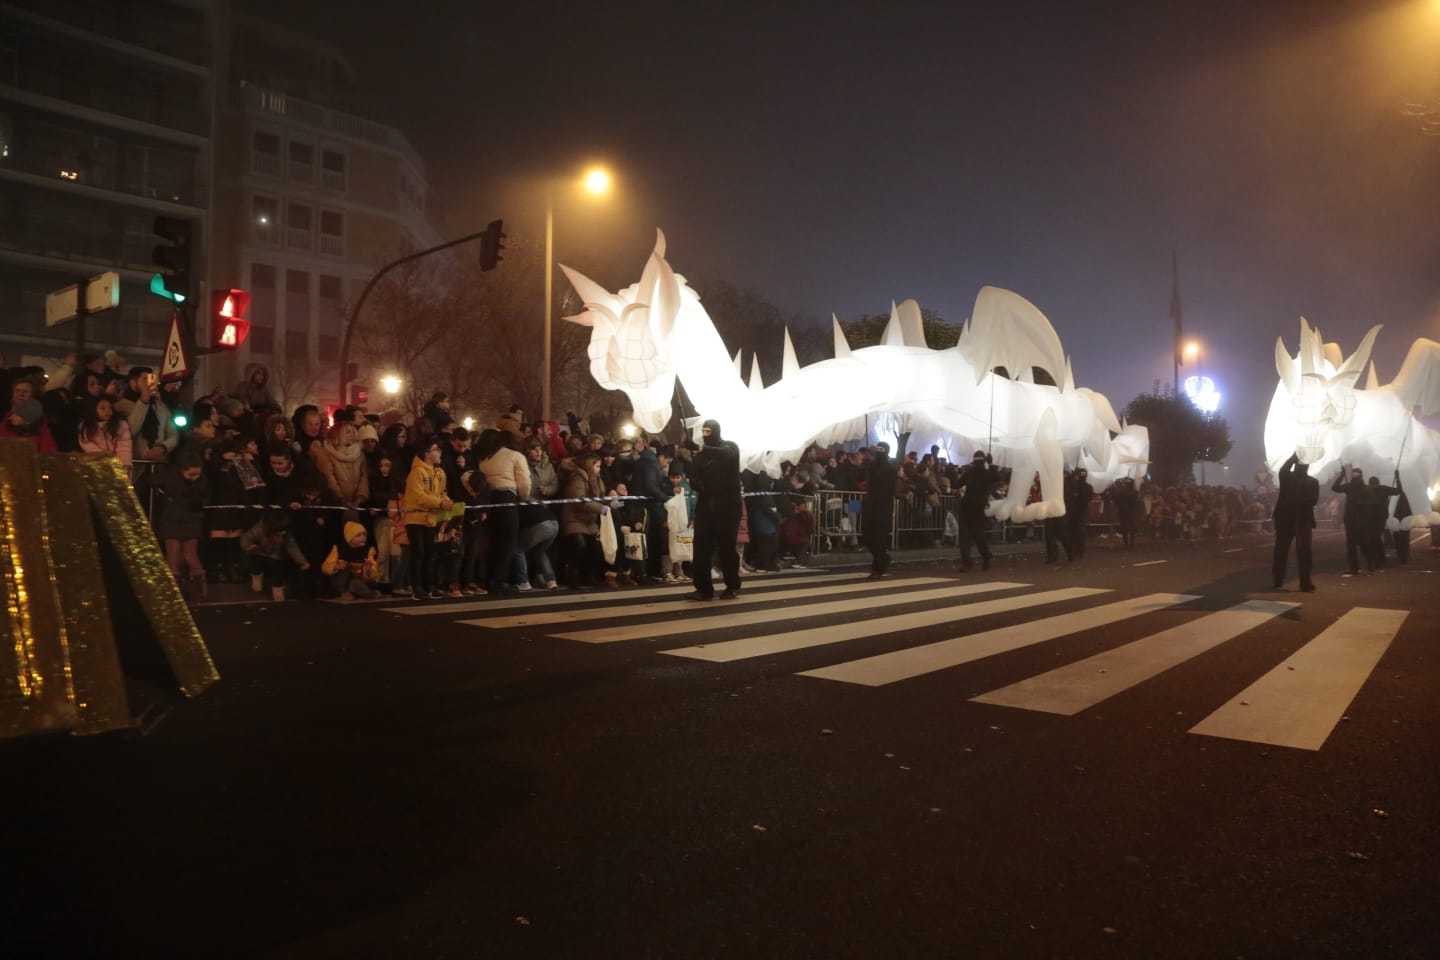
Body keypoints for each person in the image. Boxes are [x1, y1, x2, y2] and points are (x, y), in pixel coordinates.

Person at [687, 419, 742, 600]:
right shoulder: (700, 457)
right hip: (705, 507)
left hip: (728, 508)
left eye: (708, 432)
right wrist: (698, 484)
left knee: (727, 548)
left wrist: (702, 449)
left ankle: (732, 585)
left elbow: (726, 454)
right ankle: (703, 589)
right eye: (703, 431)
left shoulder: (730, 447)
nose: (705, 435)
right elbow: (693, 476)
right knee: (700, 549)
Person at [1271, 453, 1318, 591]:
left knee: (1289, 550)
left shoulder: (1289, 478)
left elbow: (1313, 500)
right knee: (1296, 551)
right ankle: (1300, 582)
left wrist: (1295, 455)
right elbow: (1312, 500)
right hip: (1296, 518)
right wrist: (1296, 454)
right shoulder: (1306, 480)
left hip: (1293, 518)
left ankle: (1283, 580)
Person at [956, 450, 998, 570]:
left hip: (966, 506)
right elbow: (997, 477)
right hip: (978, 508)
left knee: (964, 536)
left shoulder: (969, 473)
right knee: (979, 535)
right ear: (984, 461)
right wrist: (991, 464)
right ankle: (985, 555)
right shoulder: (986, 473)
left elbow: (957, 484)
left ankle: (967, 562)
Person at [861, 442, 897, 579]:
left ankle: (877, 568)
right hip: (870, 507)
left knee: (879, 539)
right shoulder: (871, 467)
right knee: (867, 538)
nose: (878, 451)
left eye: (881, 449)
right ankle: (884, 557)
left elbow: (890, 490)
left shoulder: (890, 469)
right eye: (877, 449)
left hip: (883, 508)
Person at [1331, 464, 1375, 575]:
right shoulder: (1364, 488)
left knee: (1353, 545)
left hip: (1354, 519)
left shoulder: (1352, 487)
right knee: (1361, 544)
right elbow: (1371, 503)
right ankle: (1367, 564)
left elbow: (1335, 487)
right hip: (1358, 519)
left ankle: (1356, 567)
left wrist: (1341, 475)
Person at [1064, 467, 1094, 560]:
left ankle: (1077, 550)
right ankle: (1078, 550)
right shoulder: (1083, 486)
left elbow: (1088, 497)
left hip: (1078, 512)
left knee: (1077, 531)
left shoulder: (1076, 486)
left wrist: (1077, 496)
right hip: (1077, 511)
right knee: (1077, 531)